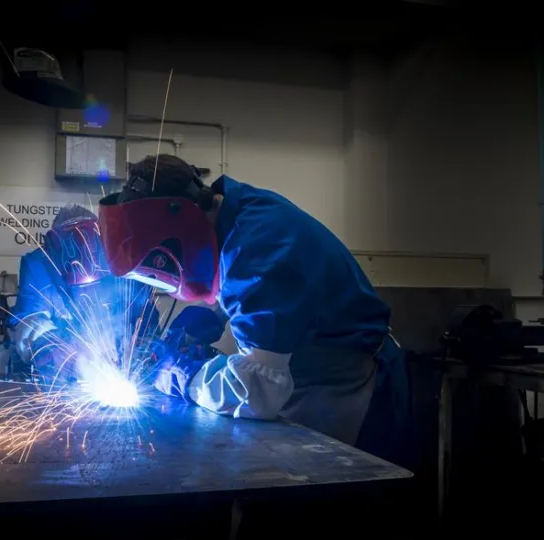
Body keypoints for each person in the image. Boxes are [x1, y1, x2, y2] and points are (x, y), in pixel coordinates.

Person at [97, 154, 408, 458]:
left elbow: (259, 390)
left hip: (349, 385)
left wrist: (186, 375)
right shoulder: (234, 209)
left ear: (180, 224)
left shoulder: (257, 247)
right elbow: (250, 287)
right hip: (311, 372)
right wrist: (207, 315)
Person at [7, 204, 159, 380]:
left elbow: (145, 316)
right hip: (63, 374)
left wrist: (142, 347)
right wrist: (55, 347)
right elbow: (30, 319)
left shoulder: (120, 260)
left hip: (120, 366)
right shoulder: (39, 265)